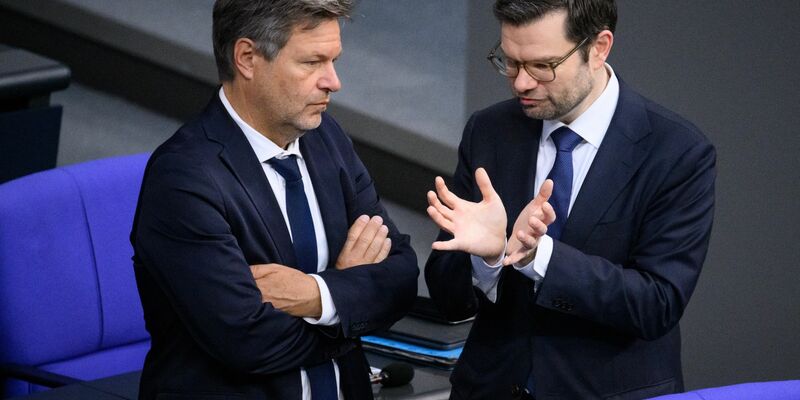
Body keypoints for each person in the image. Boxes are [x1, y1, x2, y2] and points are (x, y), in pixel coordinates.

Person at [424, 0, 715, 398]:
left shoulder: (677, 152)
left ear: (598, 48)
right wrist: (487, 258)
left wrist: (535, 256)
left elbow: (657, 303)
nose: (521, 82)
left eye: (542, 66)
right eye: (509, 61)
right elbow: (448, 300)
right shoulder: (489, 131)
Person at [130, 1, 418, 399]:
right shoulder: (183, 179)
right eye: (312, 62)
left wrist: (316, 296)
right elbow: (247, 341)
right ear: (247, 58)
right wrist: (348, 304)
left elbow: (401, 276)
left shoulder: (326, 138)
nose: (333, 81)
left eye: (334, 60)